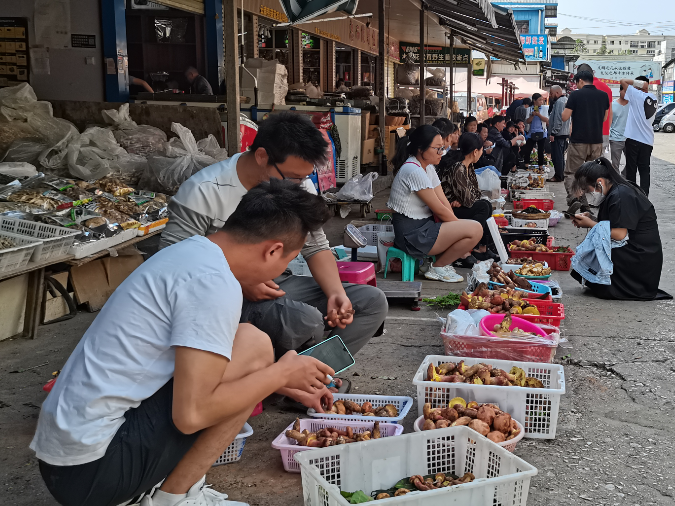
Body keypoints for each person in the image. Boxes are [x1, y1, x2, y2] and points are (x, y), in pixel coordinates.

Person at [32, 180, 337, 506]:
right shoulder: (214, 284)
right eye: (285, 262)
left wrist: (277, 380)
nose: (279, 274)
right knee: (256, 347)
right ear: (273, 249)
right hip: (92, 471)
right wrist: (277, 375)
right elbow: (191, 415)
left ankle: (171, 491)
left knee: (249, 343)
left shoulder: (193, 252)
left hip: (66, 459)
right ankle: (173, 499)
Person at [162, 113, 388, 374]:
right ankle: (285, 380)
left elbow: (316, 245)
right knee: (304, 320)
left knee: (372, 302)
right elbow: (172, 264)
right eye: (293, 177)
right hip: (219, 293)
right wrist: (244, 284)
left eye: (305, 177)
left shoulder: (298, 184)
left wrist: (336, 293)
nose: (301, 185)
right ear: (262, 156)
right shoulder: (204, 191)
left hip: (277, 282)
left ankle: (312, 379)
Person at [389, 125, 484, 283]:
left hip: (424, 227)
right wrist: (459, 230)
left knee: (471, 228)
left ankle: (436, 265)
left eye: (442, 148)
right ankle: (438, 267)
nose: (442, 153)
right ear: (421, 149)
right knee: (475, 229)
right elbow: (439, 209)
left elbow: (443, 201)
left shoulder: (427, 168)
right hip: (412, 236)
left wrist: (457, 228)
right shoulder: (413, 170)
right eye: (438, 149)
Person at [569, 158, 670, 301]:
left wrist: (591, 224)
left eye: (587, 190)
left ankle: (621, 285)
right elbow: (615, 223)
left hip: (639, 255)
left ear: (600, 182)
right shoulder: (616, 191)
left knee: (595, 248)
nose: (587, 195)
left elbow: (619, 234)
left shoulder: (622, 196)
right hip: (635, 249)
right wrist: (592, 219)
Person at [437, 132, 495, 262]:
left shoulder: (468, 166)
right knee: (483, 207)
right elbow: (469, 200)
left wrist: (463, 201)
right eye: (481, 150)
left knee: (485, 204)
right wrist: (463, 201)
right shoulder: (458, 167)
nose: (482, 153)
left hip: (458, 206)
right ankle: (464, 250)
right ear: (475, 151)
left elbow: (476, 193)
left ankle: (481, 248)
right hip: (448, 210)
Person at [562, 67, 611, 201]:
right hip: (596, 141)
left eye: (577, 82)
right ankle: (588, 202)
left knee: (572, 172)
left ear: (581, 81)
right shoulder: (603, 95)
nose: (576, 85)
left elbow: (564, 117)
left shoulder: (575, 95)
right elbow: (605, 117)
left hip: (579, 141)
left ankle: (574, 198)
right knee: (592, 173)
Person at [617, 77, 660, 193]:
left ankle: (633, 195)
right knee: (645, 170)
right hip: (648, 141)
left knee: (631, 170)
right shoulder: (654, 98)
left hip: (633, 139)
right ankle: (644, 197)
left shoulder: (637, 95)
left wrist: (640, 84)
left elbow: (623, 81)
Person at [575, 64, 614, 155]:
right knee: (599, 163)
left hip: (583, 132)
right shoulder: (607, 88)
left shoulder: (581, 89)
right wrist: (606, 129)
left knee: (582, 162)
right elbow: (610, 112)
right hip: (603, 131)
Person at [547, 85, 571, 182]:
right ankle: (560, 175)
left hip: (559, 134)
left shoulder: (560, 102)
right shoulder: (564, 100)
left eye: (552, 93)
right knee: (559, 155)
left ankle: (558, 176)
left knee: (557, 156)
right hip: (562, 132)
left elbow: (559, 119)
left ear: (557, 93)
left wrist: (553, 132)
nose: (550, 95)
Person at [520, 93, 548, 169]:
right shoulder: (529, 109)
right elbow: (527, 121)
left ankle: (541, 167)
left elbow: (546, 120)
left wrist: (539, 115)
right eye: (539, 100)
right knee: (528, 150)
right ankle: (526, 166)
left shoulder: (544, 108)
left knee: (541, 151)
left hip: (542, 132)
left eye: (542, 100)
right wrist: (532, 115)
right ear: (534, 101)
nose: (541, 102)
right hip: (531, 132)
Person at [608, 89, 629, 169]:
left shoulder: (632, 106)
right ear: (620, 91)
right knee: (615, 164)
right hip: (615, 138)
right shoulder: (612, 105)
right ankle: (616, 181)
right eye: (625, 91)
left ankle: (623, 177)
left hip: (629, 138)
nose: (626, 94)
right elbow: (609, 121)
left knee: (632, 162)